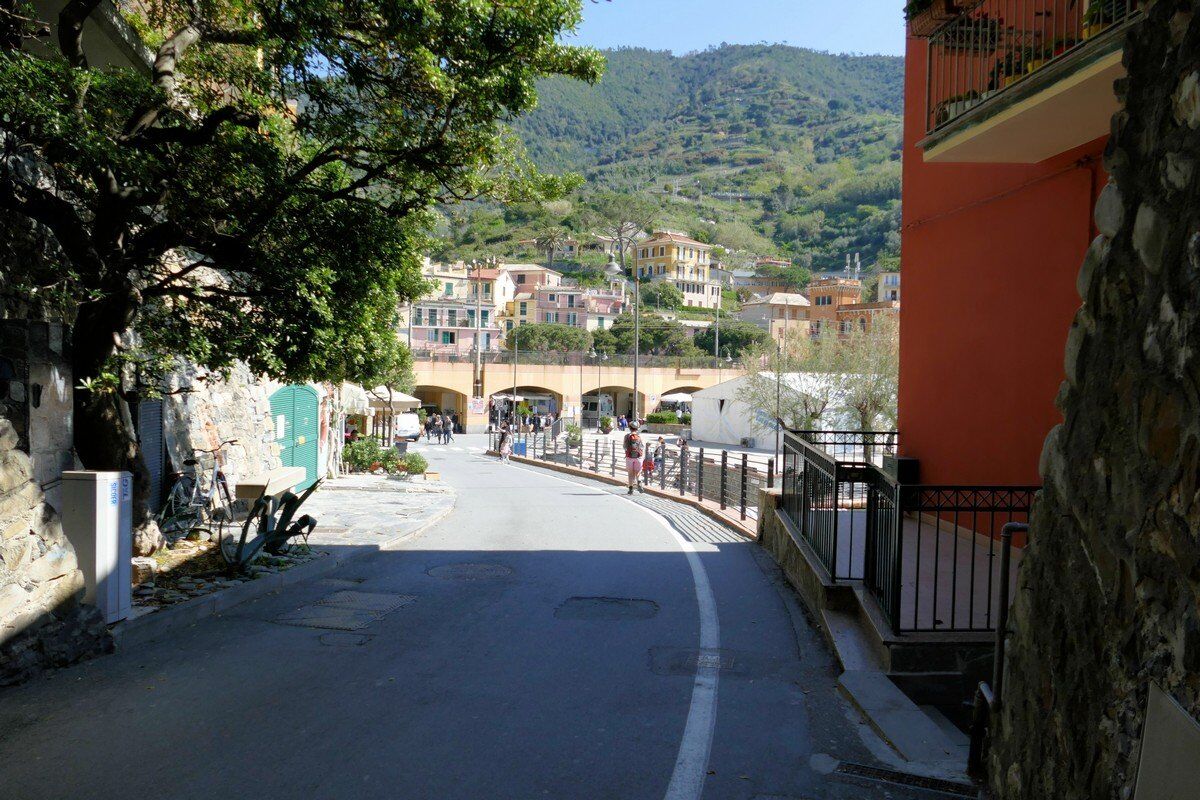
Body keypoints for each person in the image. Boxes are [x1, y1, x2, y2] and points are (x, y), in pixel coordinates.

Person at [623, 422, 645, 495]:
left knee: (630, 473)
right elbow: (642, 447)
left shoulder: (627, 436)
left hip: (629, 457)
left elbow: (624, 447)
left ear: (630, 428)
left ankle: (630, 489)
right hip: (638, 457)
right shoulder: (639, 436)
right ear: (637, 428)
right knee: (638, 472)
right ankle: (639, 481)